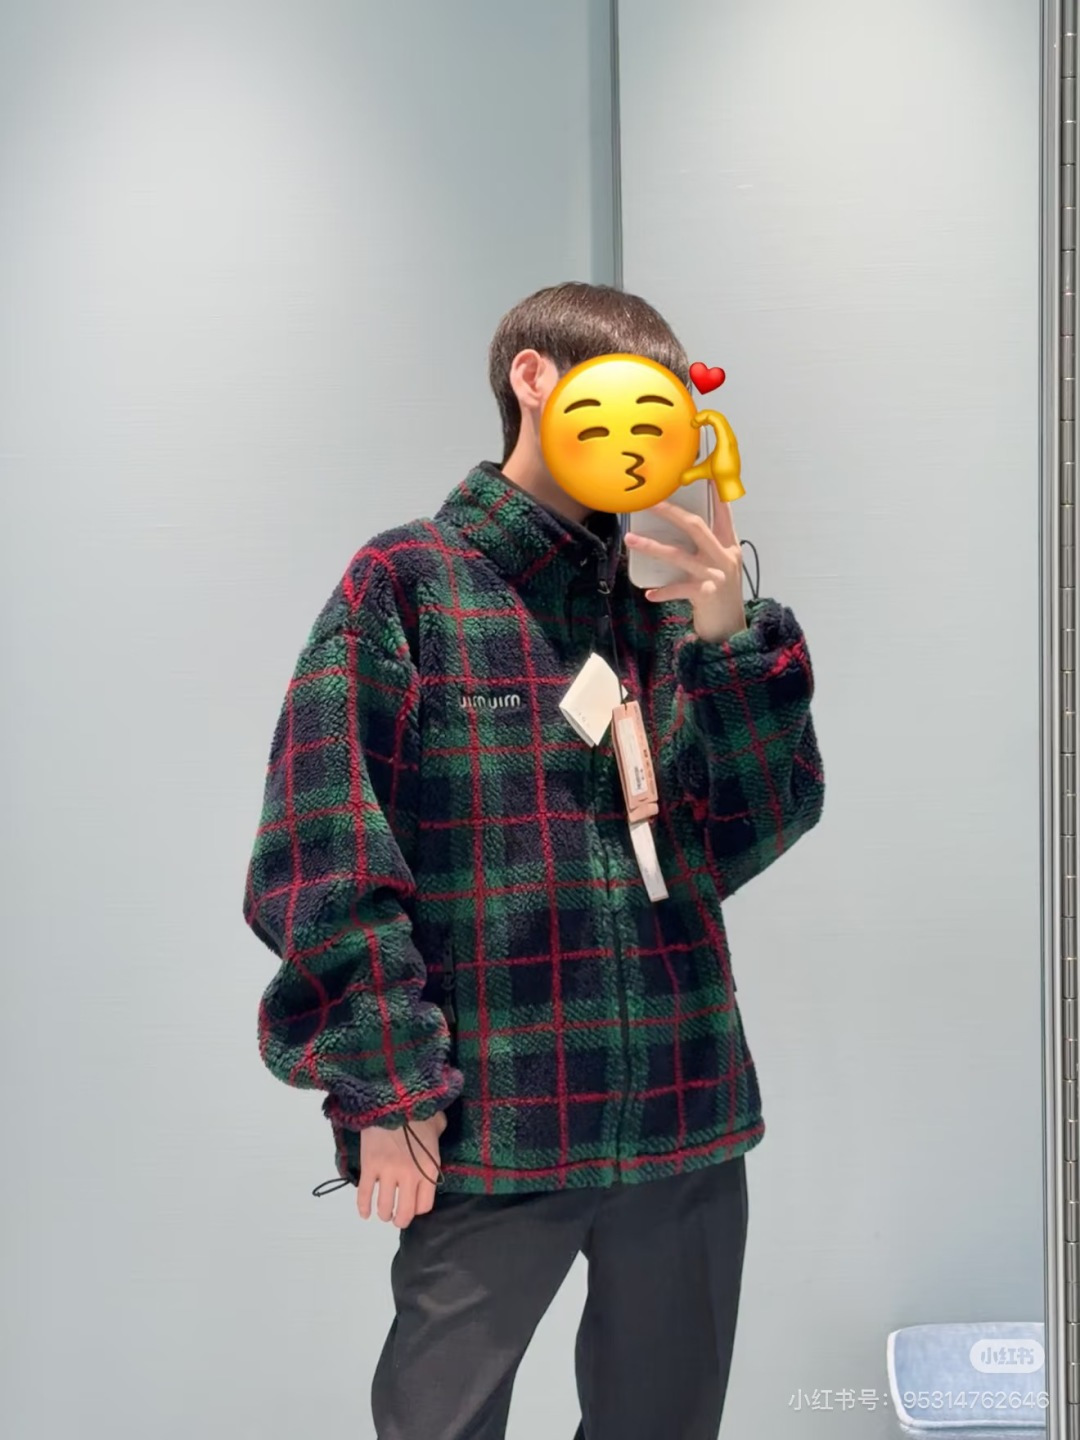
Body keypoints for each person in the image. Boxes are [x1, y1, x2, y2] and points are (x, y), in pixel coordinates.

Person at [241, 281, 825, 1440]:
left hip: (684, 1113)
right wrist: (387, 1086)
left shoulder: (663, 608)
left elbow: (749, 831)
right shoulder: (408, 584)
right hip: (494, 1123)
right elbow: (323, 847)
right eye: (631, 399)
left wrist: (727, 638)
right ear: (535, 379)